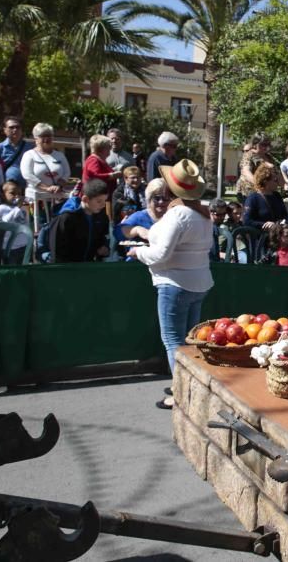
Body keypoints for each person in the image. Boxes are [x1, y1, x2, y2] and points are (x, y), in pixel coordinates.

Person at [128, 159, 213, 410]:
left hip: (175, 283)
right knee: (187, 342)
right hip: (197, 282)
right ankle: (188, 387)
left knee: (174, 341)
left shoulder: (179, 215)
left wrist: (138, 253)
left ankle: (180, 393)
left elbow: (160, 254)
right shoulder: (202, 213)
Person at [50, 179, 111, 263]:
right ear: (85, 199)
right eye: (99, 201)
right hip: (69, 269)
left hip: (90, 267)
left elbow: (104, 237)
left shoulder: (102, 217)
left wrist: (104, 248)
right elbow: (57, 251)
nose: (103, 205)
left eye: (105, 201)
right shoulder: (66, 218)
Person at [116, 178, 171, 250]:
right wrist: (136, 230)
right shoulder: (139, 216)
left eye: (165, 198)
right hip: (138, 259)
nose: (161, 202)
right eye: (157, 198)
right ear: (149, 198)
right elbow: (117, 232)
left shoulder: (174, 216)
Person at [242, 164, 287, 231]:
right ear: (265, 181)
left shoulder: (277, 196)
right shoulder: (253, 198)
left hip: (276, 238)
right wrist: (265, 225)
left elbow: (285, 217)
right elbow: (247, 221)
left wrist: (279, 224)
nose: (277, 183)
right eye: (275, 180)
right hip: (260, 237)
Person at [0, 181, 31, 263]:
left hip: (24, 244)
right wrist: (18, 206)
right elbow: (7, 222)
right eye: (12, 193)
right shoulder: (2, 208)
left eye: (19, 193)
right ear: (3, 195)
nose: (17, 196)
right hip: (11, 247)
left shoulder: (22, 207)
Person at [236, 134, 277, 201]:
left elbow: (276, 173)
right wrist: (259, 184)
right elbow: (246, 171)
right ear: (255, 144)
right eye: (262, 144)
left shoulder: (269, 157)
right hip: (249, 192)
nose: (265, 147)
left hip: (266, 192)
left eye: (267, 144)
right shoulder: (248, 155)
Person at [0, 117, 33, 186]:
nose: (15, 129)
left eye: (18, 127)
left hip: (27, 188)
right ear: (5, 130)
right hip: (8, 189)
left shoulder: (31, 147)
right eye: (11, 127)